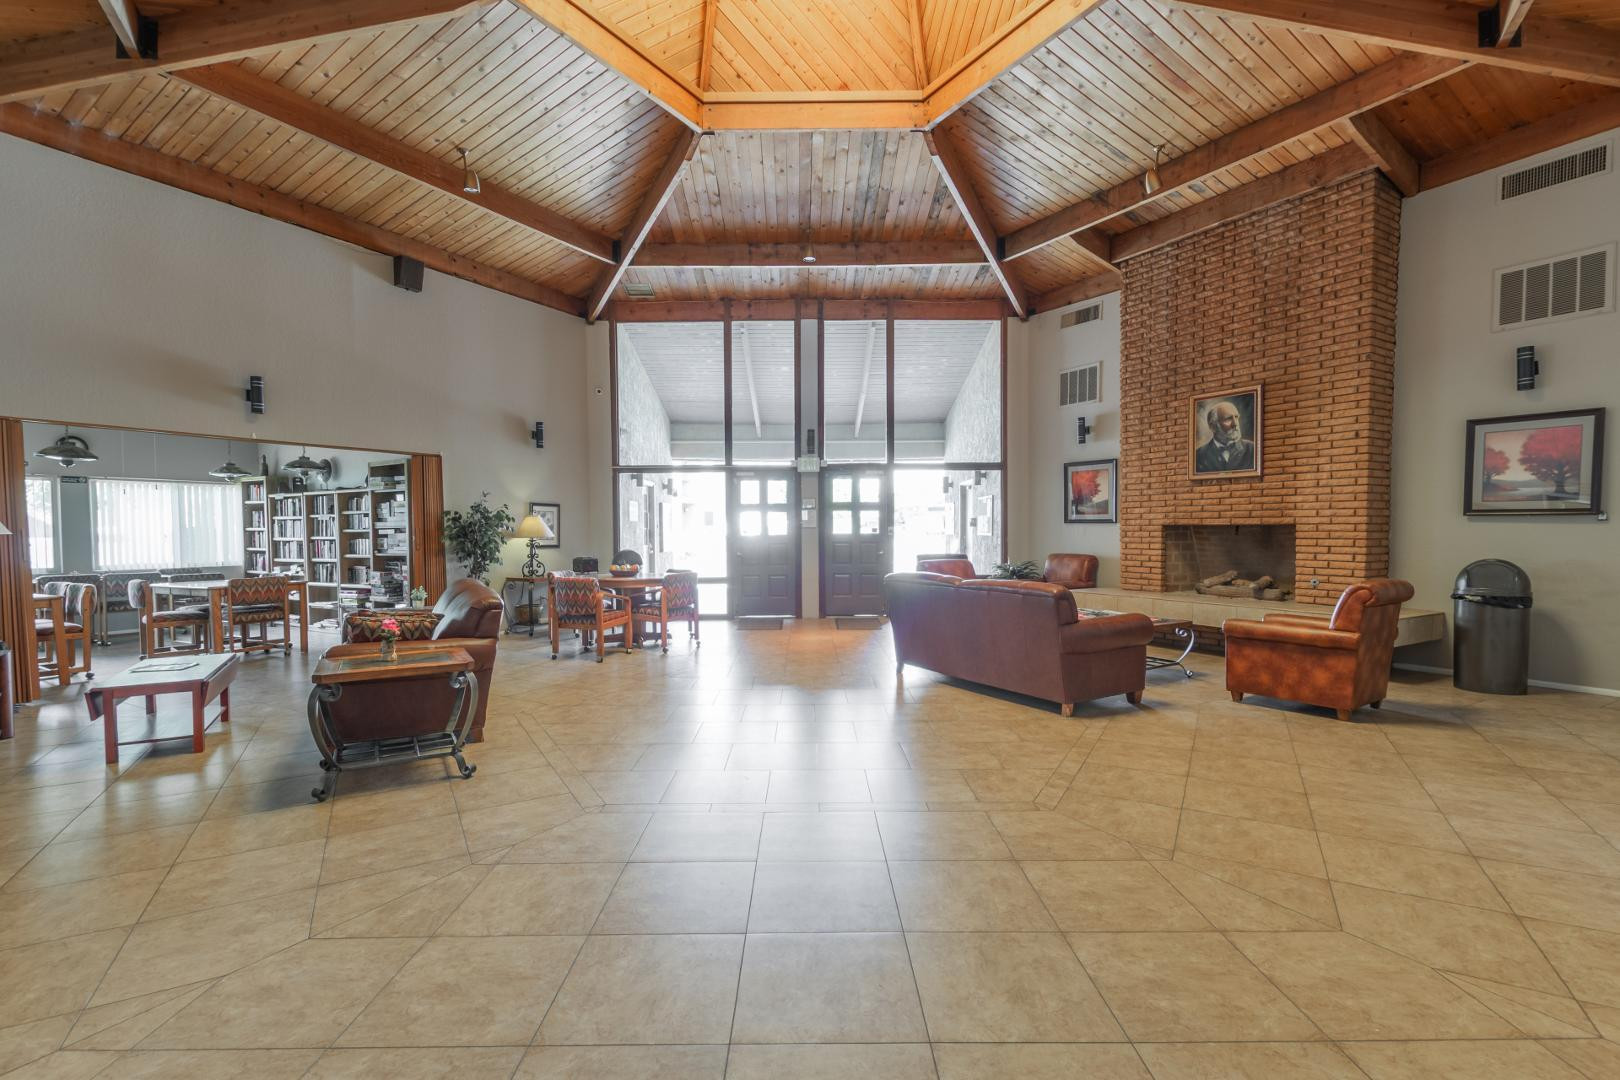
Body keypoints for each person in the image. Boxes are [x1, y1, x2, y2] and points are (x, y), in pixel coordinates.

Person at [1195, 399, 1256, 472]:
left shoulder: (1253, 449)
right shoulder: (1198, 455)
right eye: (1228, 419)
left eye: (1236, 417)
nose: (1235, 424)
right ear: (1212, 426)